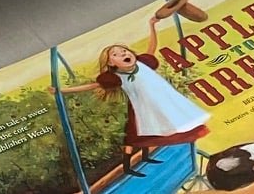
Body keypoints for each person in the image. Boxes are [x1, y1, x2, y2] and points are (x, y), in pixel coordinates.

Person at [58, 13, 208, 175]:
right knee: (133, 137)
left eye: (124, 51)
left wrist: (152, 26)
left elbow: (151, 48)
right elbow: (93, 85)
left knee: (150, 132)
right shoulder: (117, 77)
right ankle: (127, 167)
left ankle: (145, 157)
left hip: (157, 104)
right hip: (139, 108)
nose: (123, 54)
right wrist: (62, 91)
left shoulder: (143, 63)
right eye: (116, 54)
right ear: (110, 63)